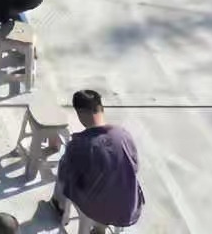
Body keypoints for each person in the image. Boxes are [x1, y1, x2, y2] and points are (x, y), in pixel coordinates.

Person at [48, 90, 145, 231]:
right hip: (128, 209)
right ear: (101, 108)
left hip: (96, 210)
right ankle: (100, 229)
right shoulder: (123, 135)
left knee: (64, 166)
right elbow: (135, 167)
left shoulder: (78, 145)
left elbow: (66, 177)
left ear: (80, 113)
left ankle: (59, 206)